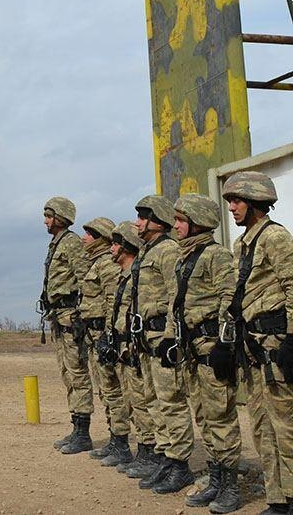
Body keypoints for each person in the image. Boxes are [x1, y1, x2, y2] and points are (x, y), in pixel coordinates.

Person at [222, 171, 293, 515]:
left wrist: (291, 340)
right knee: (263, 428)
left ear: (255, 202)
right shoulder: (243, 243)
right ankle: (277, 500)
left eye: (237, 201)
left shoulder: (275, 237)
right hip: (254, 351)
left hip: (277, 348)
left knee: (287, 427)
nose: (232, 207)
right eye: (230, 201)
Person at [169, 194, 240, 513]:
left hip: (212, 350)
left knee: (221, 416)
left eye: (181, 220)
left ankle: (231, 487)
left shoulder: (216, 255)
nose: (176, 225)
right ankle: (215, 479)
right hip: (191, 351)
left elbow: (230, 298)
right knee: (203, 417)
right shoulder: (184, 258)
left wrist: (226, 345)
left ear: (198, 221)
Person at [129, 195, 194, 494]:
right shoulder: (146, 251)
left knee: (171, 402)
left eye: (143, 216)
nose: (138, 222)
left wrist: (171, 337)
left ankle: (180, 465)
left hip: (161, 337)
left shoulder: (168, 250)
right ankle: (166, 458)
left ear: (157, 220)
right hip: (146, 339)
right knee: (154, 401)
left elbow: (175, 297)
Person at [103, 221, 158, 474]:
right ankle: (143, 451)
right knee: (131, 399)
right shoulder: (124, 277)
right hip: (123, 346)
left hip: (135, 347)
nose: (111, 248)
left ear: (126, 246)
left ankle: (149, 452)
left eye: (115, 243)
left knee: (142, 401)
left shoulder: (136, 275)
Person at [40, 197, 92, 453]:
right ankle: (76, 427)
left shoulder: (71, 243)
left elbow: (85, 278)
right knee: (67, 373)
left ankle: (83, 433)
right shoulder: (56, 244)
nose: (46, 221)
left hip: (71, 317)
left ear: (61, 217)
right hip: (58, 316)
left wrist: (83, 314)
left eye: (50, 216)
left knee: (77, 373)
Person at [78, 217, 130, 464]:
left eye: (88, 234)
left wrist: (109, 336)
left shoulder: (107, 265)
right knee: (106, 391)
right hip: (94, 334)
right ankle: (114, 439)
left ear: (99, 237)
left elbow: (113, 302)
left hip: (103, 334)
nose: (83, 238)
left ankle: (121, 444)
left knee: (113, 389)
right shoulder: (95, 263)